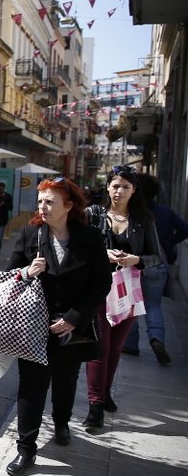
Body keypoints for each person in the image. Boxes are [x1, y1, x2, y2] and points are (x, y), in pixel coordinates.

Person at [4, 177, 111, 476]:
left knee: (65, 381)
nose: (42, 206)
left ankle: (61, 424)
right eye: (40, 201)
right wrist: (26, 272)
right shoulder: (30, 234)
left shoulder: (90, 239)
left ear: (69, 205)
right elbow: (6, 277)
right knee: (31, 387)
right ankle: (26, 450)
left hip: (72, 328)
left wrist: (75, 318)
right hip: (34, 327)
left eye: (49, 201)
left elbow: (101, 283)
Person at [83, 166, 163, 426]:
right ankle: (95, 405)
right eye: (115, 185)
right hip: (97, 290)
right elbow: (76, 247)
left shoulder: (144, 220)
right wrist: (100, 254)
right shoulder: (93, 215)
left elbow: (156, 256)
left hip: (128, 291)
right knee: (99, 347)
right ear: (107, 187)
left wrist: (136, 259)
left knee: (116, 347)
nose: (119, 191)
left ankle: (105, 392)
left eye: (126, 187)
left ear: (134, 190)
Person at [122, 173, 188, 361]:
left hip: (132, 263)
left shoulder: (129, 212)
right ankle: (157, 338)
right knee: (153, 305)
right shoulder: (165, 212)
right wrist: (168, 243)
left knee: (131, 305)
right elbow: (185, 229)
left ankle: (130, 343)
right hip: (157, 263)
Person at [0, 181, 14, 258]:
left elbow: (10, 207)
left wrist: (4, 204)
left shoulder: (8, 196)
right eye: (0, 188)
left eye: (2, 188)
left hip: (2, 219)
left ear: (4, 188)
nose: (1, 189)